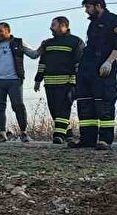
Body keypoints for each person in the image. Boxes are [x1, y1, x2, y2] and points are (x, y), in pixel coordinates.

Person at [73, 0, 117, 150]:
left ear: (98, 6)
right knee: (85, 102)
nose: (86, 11)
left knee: (104, 102)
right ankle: (87, 139)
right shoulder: (93, 24)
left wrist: (109, 61)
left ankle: (105, 139)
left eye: (88, 7)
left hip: (103, 67)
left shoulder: (114, 21)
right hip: (87, 68)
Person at [0, 21, 40, 143]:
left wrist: (42, 48)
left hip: (15, 81)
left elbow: (33, 55)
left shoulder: (19, 42)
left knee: (18, 106)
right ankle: (2, 134)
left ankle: (23, 133)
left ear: (8, 31)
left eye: (0, 31)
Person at [34, 16, 86, 144]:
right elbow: (42, 62)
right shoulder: (48, 43)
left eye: (53, 25)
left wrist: (77, 81)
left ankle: (59, 135)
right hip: (49, 83)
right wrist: (38, 79)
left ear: (63, 26)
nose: (51, 28)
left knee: (63, 109)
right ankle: (68, 134)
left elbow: (79, 63)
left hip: (67, 82)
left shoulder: (76, 42)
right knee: (54, 110)